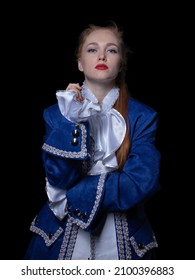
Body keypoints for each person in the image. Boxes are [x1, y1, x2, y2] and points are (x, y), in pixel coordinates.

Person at [25, 21, 161, 260]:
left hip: (125, 238)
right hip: (58, 238)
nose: (101, 55)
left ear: (121, 64)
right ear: (79, 63)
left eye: (111, 50)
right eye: (92, 49)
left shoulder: (143, 116)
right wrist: (70, 119)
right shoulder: (56, 113)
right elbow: (59, 177)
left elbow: (141, 182)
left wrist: (72, 195)